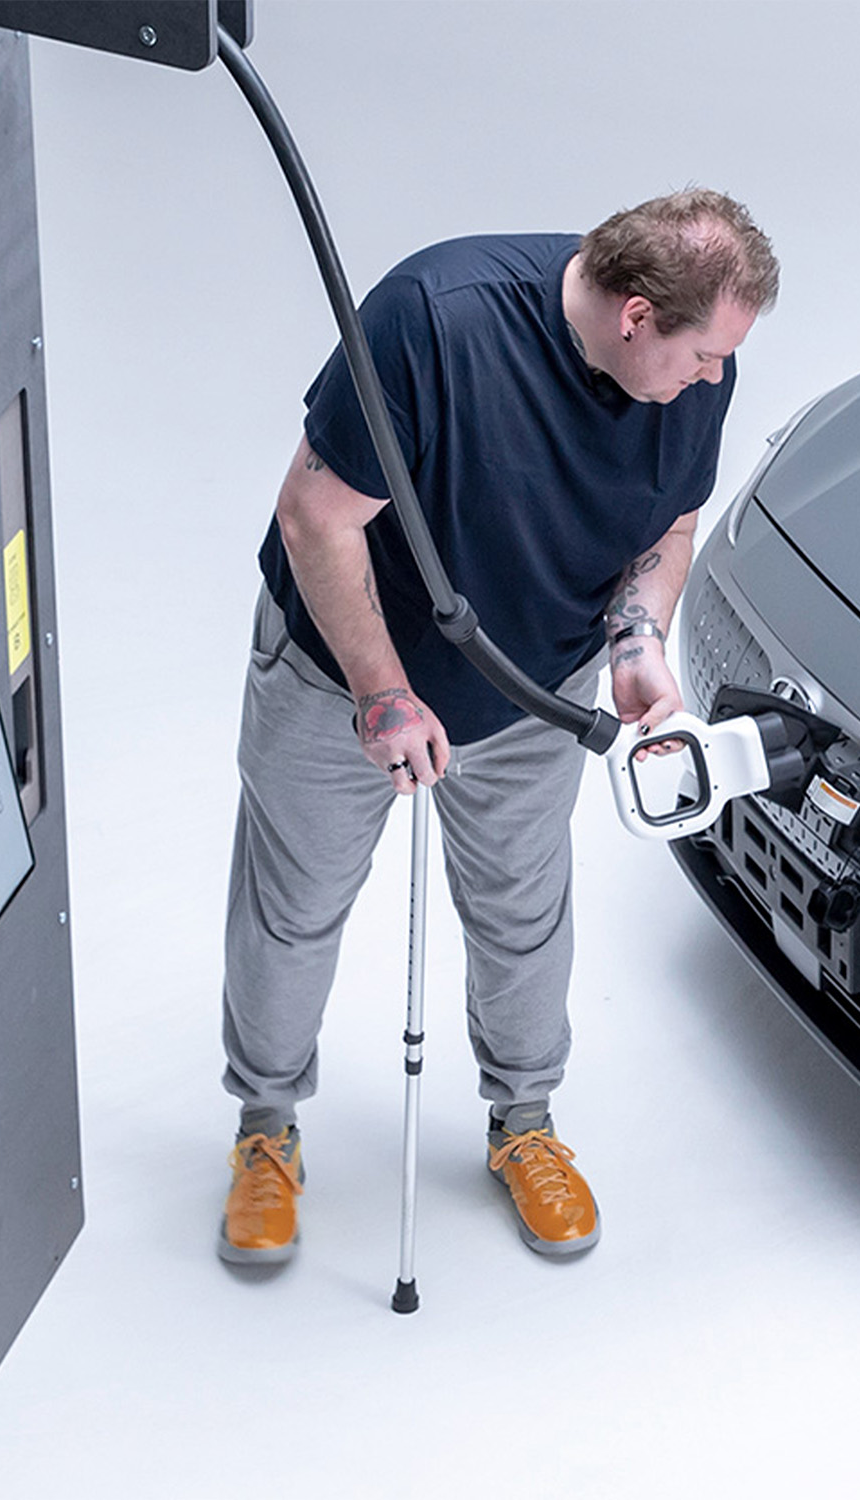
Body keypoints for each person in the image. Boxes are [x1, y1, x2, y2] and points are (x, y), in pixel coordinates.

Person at [216, 188, 778, 1265]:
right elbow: (313, 515)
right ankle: (264, 1127)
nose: (713, 380)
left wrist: (635, 641)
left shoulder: (701, 367)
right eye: (699, 357)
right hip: (342, 675)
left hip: (533, 687)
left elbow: (668, 516)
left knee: (522, 912)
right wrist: (382, 694)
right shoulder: (432, 321)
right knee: (292, 912)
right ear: (632, 317)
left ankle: (523, 1122)